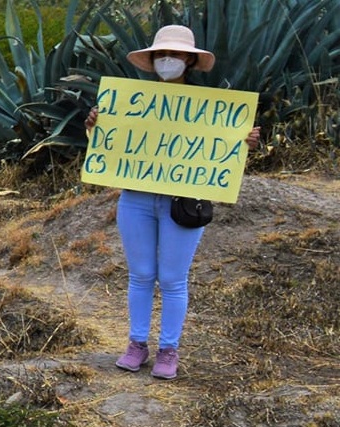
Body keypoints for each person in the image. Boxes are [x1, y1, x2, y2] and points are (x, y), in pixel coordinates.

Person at [85, 24, 259, 380]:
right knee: (141, 275)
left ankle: (168, 349)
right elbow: (112, 144)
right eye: (162, 54)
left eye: (175, 54)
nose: (168, 60)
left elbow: (221, 151)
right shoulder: (129, 103)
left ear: (190, 61)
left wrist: (244, 142)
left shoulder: (214, 110)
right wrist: (95, 126)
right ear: (152, 60)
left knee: (172, 278)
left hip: (183, 202)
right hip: (135, 199)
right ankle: (136, 343)